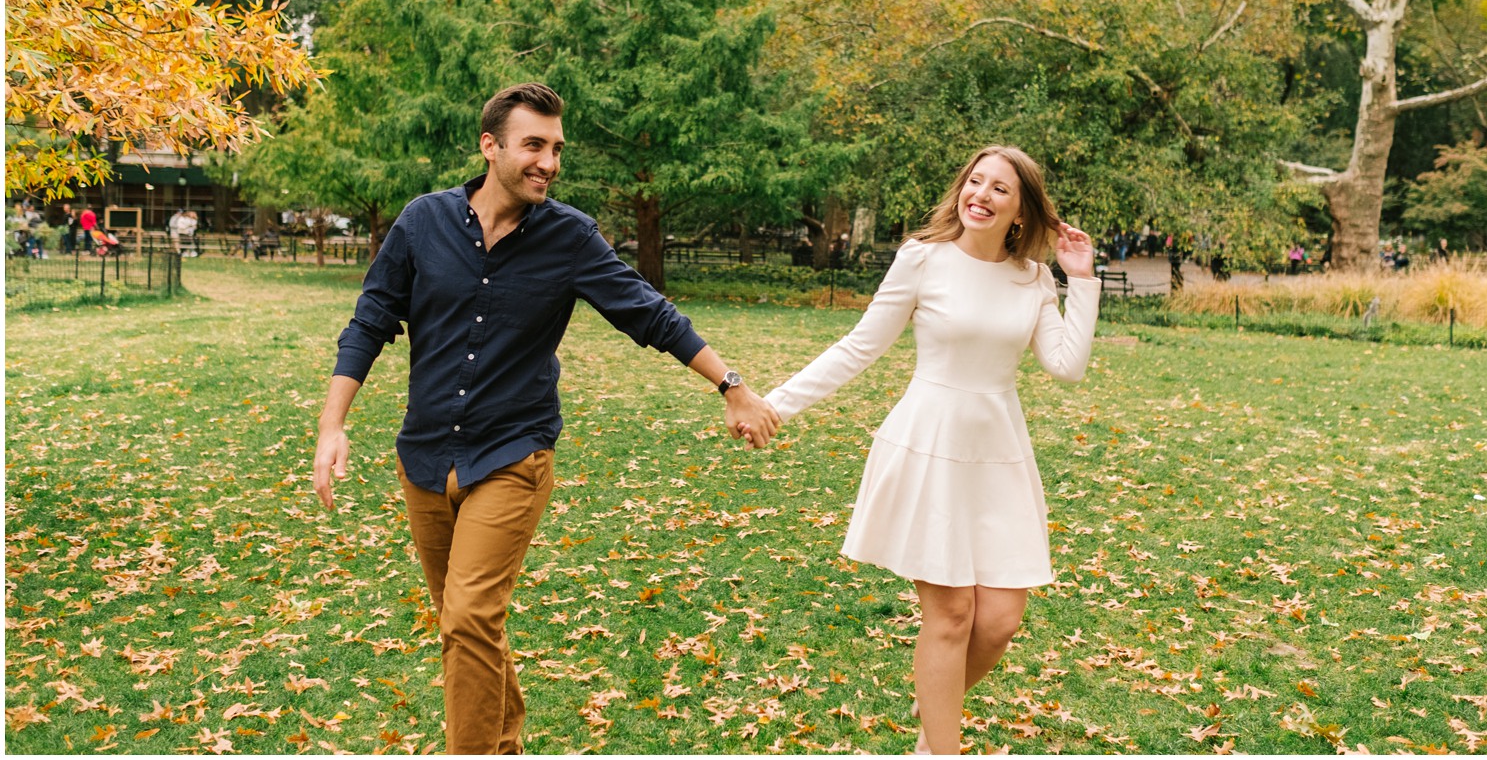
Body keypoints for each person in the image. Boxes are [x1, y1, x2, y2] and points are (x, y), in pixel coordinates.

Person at [311, 82, 779, 756]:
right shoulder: (422, 223)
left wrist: (732, 386)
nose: (550, 163)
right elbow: (370, 321)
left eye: (557, 149)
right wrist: (333, 425)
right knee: (466, 624)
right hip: (424, 459)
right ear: (490, 146)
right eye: (535, 145)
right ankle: (504, 744)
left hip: (512, 457)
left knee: (469, 617)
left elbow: (648, 314)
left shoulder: (569, 237)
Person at [760, 145, 1099, 757]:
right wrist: (775, 404)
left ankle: (933, 698)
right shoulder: (923, 259)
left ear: (1021, 209)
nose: (983, 195)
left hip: (999, 453)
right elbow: (858, 347)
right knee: (949, 618)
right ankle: (937, 748)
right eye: (976, 181)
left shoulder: (1035, 279)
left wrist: (1082, 277)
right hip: (928, 443)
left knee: (997, 623)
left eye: (1001, 188)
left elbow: (1067, 367)